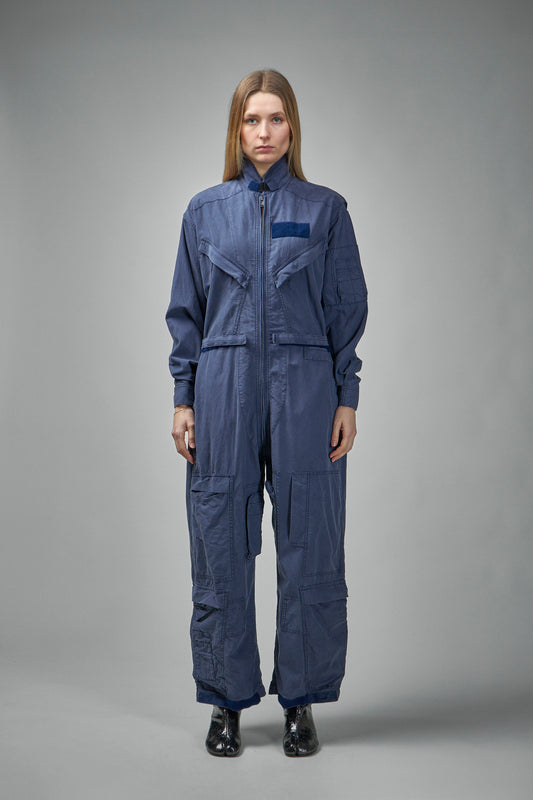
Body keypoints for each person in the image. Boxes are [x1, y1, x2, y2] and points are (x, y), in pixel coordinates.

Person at [165, 68, 368, 757]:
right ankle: (224, 703)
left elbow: (345, 307)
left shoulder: (325, 209)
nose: (263, 132)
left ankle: (300, 702)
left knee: (310, 545)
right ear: (236, 128)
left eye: (275, 119)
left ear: (292, 127)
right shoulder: (203, 212)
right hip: (222, 389)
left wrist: (346, 395)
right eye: (251, 119)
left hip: (305, 389)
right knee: (220, 543)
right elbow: (185, 312)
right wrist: (183, 397)